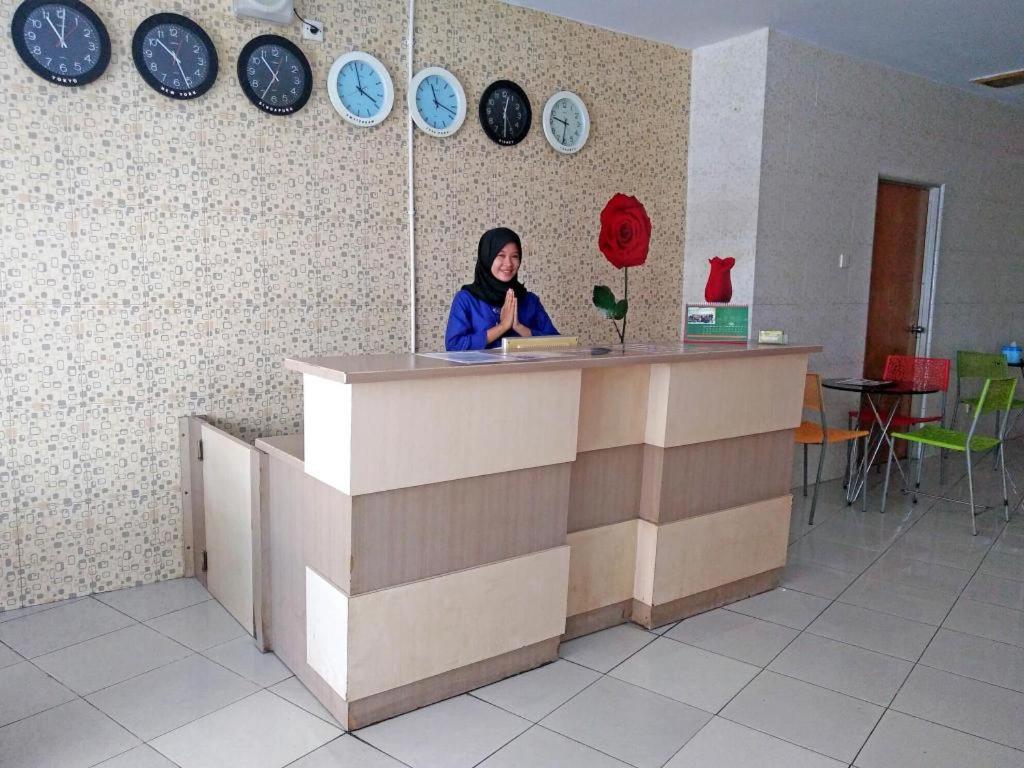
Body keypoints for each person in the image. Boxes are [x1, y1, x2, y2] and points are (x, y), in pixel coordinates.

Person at [444, 227, 559, 351]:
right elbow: (454, 346)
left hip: (524, 370)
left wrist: (519, 327)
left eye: (514, 256)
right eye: (501, 255)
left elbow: (558, 343)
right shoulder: (466, 299)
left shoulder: (530, 300)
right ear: (487, 257)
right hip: (482, 371)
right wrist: (503, 326)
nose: (509, 263)